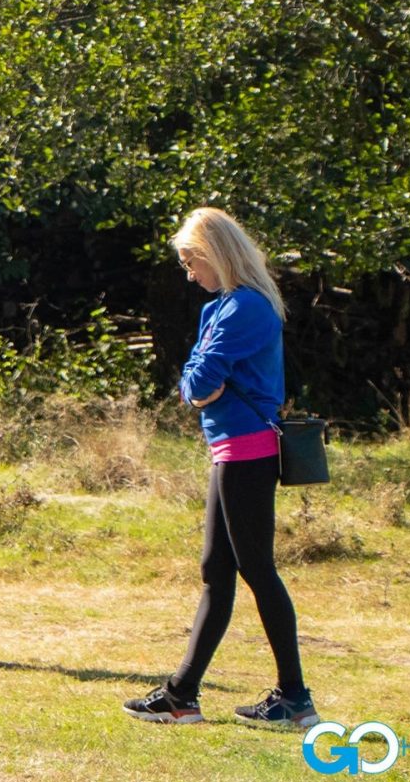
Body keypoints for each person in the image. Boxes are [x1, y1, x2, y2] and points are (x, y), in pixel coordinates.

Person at [126, 207, 318, 730]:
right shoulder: (221, 309)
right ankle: (182, 694)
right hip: (229, 451)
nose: (189, 274)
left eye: (192, 262)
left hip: (247, 452)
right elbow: (196, 383)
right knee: (218, 570)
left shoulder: (247, 308)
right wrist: (201, 380)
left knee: (255, 569)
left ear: (217, 254)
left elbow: (199, 382)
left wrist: (202, 381)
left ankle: (293, 697)